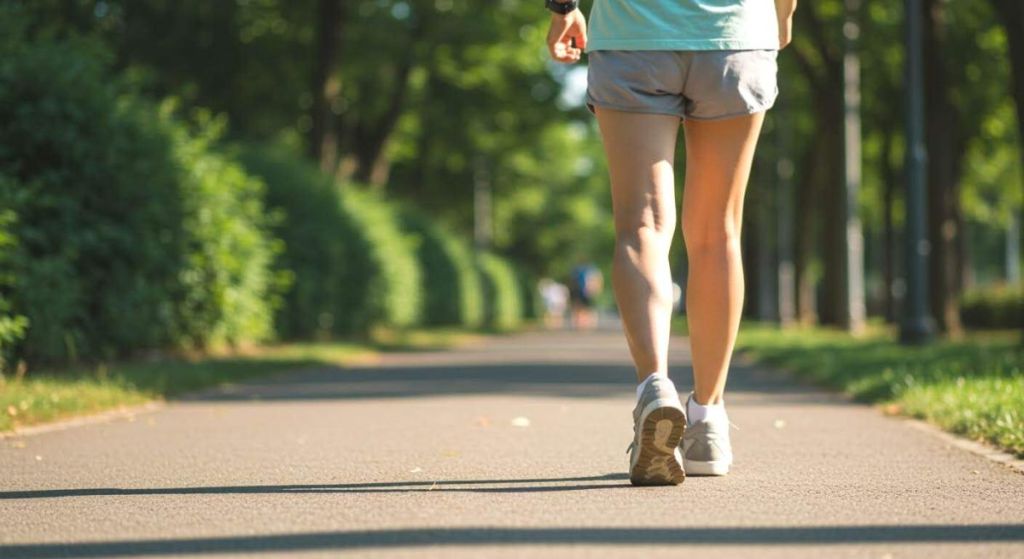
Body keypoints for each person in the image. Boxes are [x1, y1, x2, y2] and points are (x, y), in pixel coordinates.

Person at [544, 0, 797, 485]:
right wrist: (782, 14)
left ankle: (654, 387)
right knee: (718, 233)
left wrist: (563, 10)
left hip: (632, 35)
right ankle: (708, 421)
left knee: (642, 226)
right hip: (736, 34)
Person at [568, 262, 603, 330]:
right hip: (586, 292)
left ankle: (582, 324)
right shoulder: (592, 270)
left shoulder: (578, 271)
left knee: (581, 307)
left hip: (581, 291)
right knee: (584, 308)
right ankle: (583, 324)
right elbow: (598, 281)